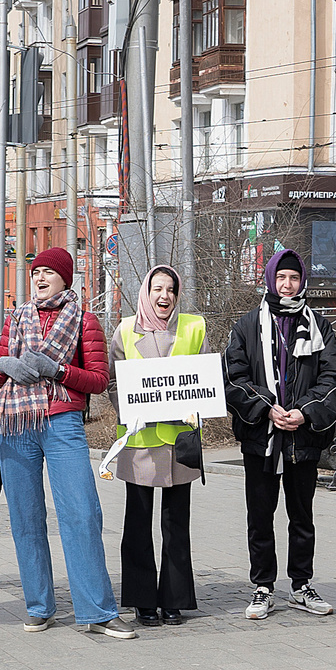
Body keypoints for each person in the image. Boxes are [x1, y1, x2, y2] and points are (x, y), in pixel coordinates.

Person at [0, 247, 129, 638]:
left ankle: (98, 611)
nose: (40, 278)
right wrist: (2, 365)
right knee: (25, 518)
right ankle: (39, 606)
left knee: (82, 515)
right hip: (16, 425)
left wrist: (60, 370)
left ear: (66, 278)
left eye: (49, 272)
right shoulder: (16, 317)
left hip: (63, 422)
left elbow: (99, 380)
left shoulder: (84, 320)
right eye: (36, 272)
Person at [220, 249, 336, 621]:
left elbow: (334, 377)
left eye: (294, 278)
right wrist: (266, 409)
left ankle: (301, 584)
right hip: (262, 439)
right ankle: (262, 586)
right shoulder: (247, 326)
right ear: (270, 280)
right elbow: (233, 376)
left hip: (302, 441)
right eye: (281, 278)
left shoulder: (319, 326)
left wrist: (303, 413)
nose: (288, 285)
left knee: (301, 516)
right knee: (260, 515)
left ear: (302, 281)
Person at [111, 265, 207, 627]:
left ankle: (174, 599)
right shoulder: (125, 329)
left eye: (170, 290)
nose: (164, 296)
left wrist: (199, 408)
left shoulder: (194, 327)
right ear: (146, 293)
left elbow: (206, 380)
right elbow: (113, 381)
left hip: (180, 443)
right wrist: (128, 409)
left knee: (176, 525)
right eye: (157, 290)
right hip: (140, 444)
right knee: (137, 524)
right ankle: (142, 600)